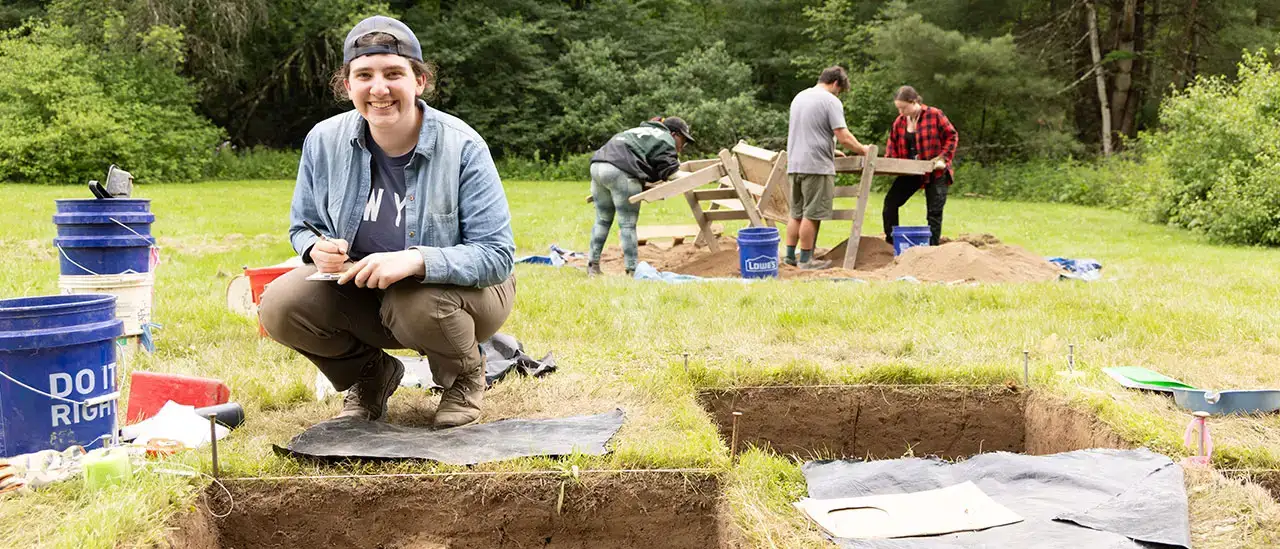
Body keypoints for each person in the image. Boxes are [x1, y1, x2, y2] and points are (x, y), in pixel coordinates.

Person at [258, 15, 515, 429]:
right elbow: (302, 225)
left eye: (393, 73)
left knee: (415, 302)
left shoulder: (462, 146)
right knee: (280, 305)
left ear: (420, 81)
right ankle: (371, 373)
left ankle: (465, 376)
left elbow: (497, 256)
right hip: (363, 290)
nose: (379, 89)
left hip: (463, 294)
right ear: (347, 86)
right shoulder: (323, 141)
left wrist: (415, 261)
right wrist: (314, 248)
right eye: (364, 75)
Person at [785, 66, 870, 270]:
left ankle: (789, 256)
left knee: (796, 213)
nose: (838, 94)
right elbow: (843, 135)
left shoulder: (800, 97)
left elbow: (808, 132)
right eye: (839, 90)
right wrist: (863, 150)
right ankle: (806, 260)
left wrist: (830, 151)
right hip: (816, 167)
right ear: (835, 84)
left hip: (795, 164)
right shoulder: (830, 101)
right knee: (811, 214)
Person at [586, 116, 695, 276]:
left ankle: (592, 266)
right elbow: (672, 174)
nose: (681, 148)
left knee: (602, 219)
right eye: (683, 141)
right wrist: (697, 176)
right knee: (627, 224)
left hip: (597, 166)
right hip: (620, 171)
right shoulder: (665, 139)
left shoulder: (639, 131)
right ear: (674, 134)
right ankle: (631, 270)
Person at [883, 85, 958, 246]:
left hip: (935, 171)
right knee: (890, 203)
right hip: (910, 172)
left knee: (934, 211)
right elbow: (892, 146)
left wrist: (943, 158)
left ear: (914, 101)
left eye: (903, 108)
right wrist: (890, 163)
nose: (901, 112)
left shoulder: (934, 115)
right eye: (898, 109)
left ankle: (931, 248)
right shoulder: (899, 122)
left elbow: (952, 136)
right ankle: (890, 242)